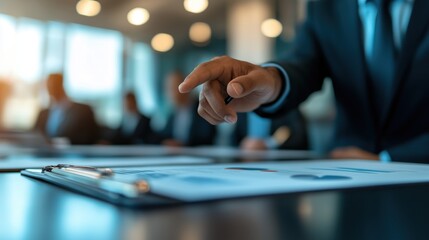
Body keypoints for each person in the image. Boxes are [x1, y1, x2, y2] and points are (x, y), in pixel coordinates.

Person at [178, 0, 429, 163]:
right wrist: (269, 81)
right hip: (348, 174)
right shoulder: (325, 7)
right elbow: (304, 63)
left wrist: (387, 158)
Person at [34, 73, 99, 145]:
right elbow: (34, 135)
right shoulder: (43, 113)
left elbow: (90, 137)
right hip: (44, 155)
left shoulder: (83, 111)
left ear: (62, 85)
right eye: (49, 85)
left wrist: (62, 142)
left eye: (54, 84)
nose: (51, 88)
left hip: (72, 154)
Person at [160, 71, 217, 147]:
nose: (169, 93)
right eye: (167, 88)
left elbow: (208, 137)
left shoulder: (203, 108)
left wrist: (184, 145)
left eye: (172, 88)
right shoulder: (173, 113)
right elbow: (164, 135)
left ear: (186, 87)